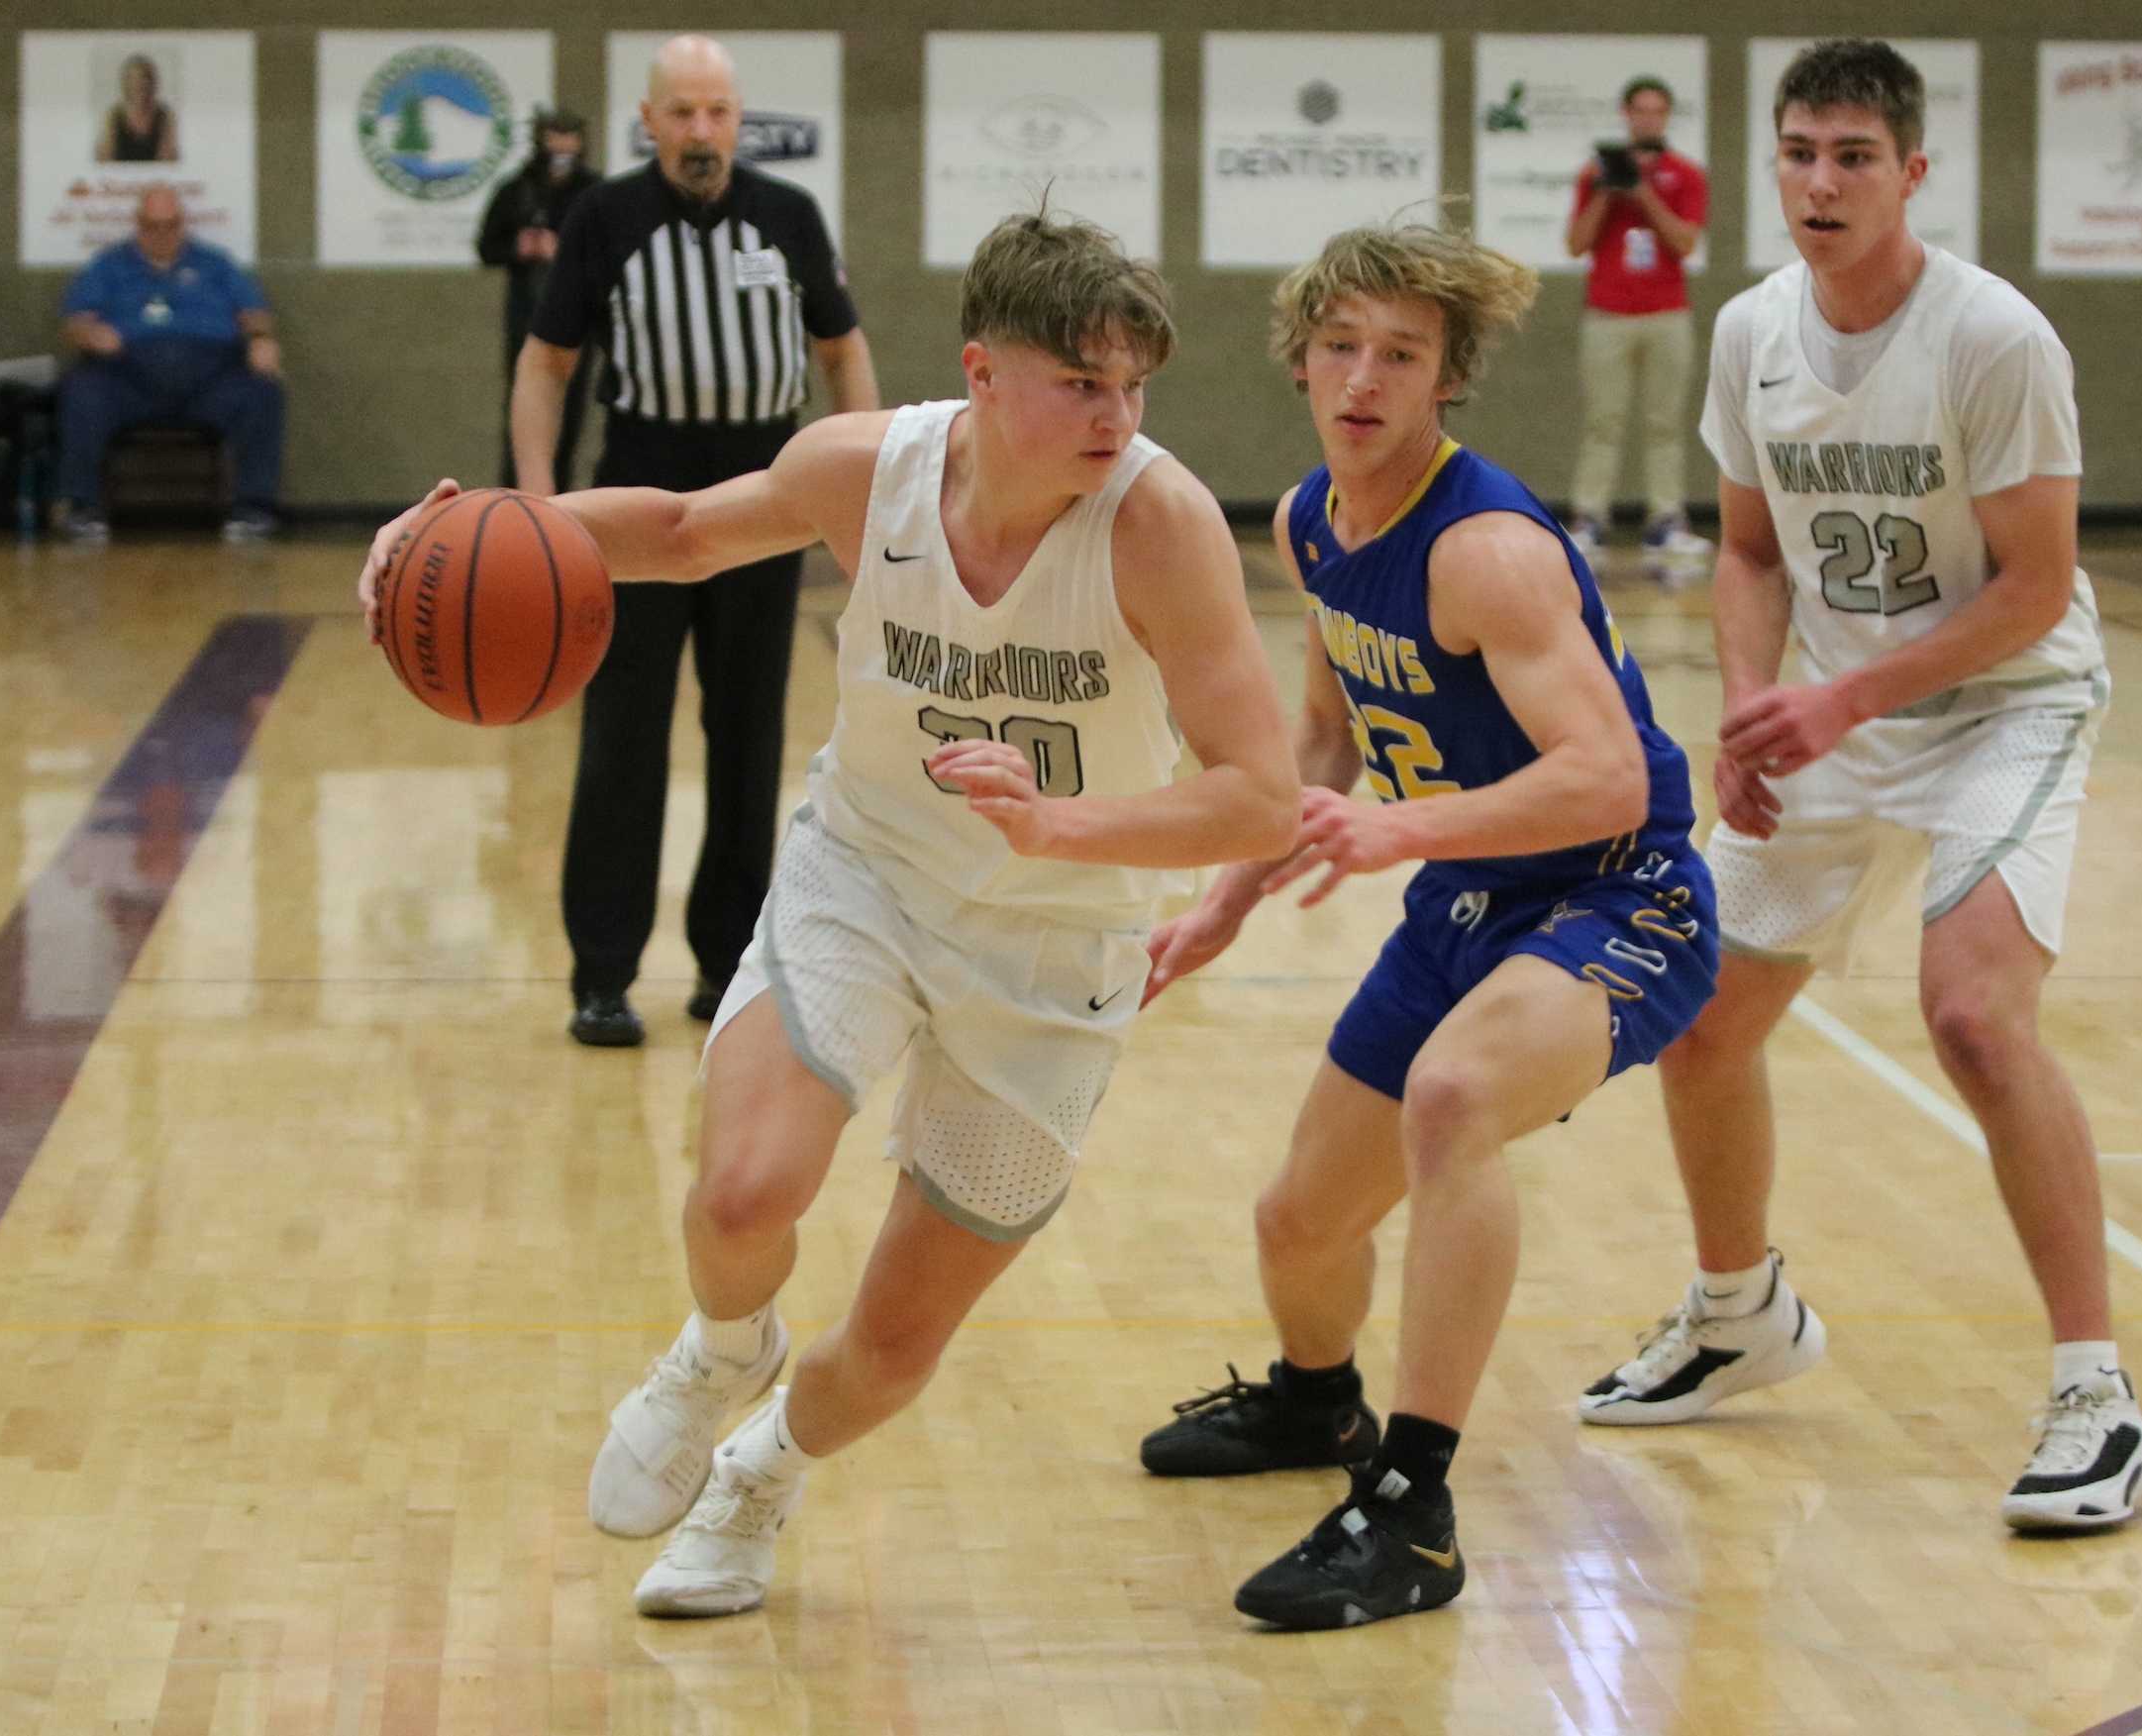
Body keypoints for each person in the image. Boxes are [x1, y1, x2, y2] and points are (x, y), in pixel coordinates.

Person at [357, 209, 1300, 1619]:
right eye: (1081, 382)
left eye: (1132, 386)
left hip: (1054, 947)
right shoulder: (870, 471)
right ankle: (719, 1348)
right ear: (982, 373)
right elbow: (676, 533)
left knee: (900, 1338)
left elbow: (1261, 798)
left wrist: (1060, 821)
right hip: (865, 871)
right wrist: (464, 536)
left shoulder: (1156, 527)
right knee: (742, 1192)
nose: (1117, 415)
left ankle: (761, 1478)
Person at [1574, 38, 2142, 1534]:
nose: (1820, 182)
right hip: (1836, 714)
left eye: (1852, 156)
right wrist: (1748, 710)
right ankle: (1737, 1315)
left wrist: (1843, 694)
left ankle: (2099, 1398)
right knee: (1696, 1016)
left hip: (2002, 706)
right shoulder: (1753, 330)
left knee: (1972, 1015)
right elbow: (1756, 549)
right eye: (1798, 152)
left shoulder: (1994, 339)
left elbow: (2034, 590)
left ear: (1912, 172)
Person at [1133, 220, 1719, 1630]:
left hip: (1617, 888)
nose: (1365, 377)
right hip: (1470, 891)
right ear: (1300, 360)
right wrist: (1227, 893)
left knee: (1452, 1101)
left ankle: (1416, 1509)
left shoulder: (1490, 548)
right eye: (1341, 346)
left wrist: (1401, 828)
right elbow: (1330, 734)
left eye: (1402, 354)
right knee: (1298, 1225)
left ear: (1446, 379)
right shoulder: (1308, 519)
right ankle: (1318, 1406)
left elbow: (1611, 771)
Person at [520, 35, 880, 1051]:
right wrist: (544, 512)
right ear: (648, 122)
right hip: (636, 505)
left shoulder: (788, 216)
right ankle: (601, 973)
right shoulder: (604, 218)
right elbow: (544, 367)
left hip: (767, 503)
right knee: (622, 743)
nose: (700, 132)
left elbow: (844, 354)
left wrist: (869, 493)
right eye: (680, 112)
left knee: (749, 737)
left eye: (716, 112)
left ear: (737, 118)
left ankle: (729, 967)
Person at [55, 185, 282, 544]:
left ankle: (254, 508)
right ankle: (83, 507)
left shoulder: (215, 263)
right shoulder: (109, 265)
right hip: (128, 377)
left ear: (183, 225)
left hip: (210, 377)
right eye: (152, 225)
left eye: (170, 225)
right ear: (138, 225)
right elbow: (75, 323)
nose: (161, 234)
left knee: (261, 391)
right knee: (82, 390)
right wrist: (92, 334)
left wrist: (260, 340)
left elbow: (254, 313)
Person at [1564, 75, 1711, 576]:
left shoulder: (1685, 175)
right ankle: (1589, 519)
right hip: (1606, 313)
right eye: (1639, 111)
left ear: (1666, 117)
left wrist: (1642, 192)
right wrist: (1608, 191)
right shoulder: (1594, 174)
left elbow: (1685, 242)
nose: (1647, 119)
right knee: (1603, 420)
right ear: (1626, 115)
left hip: (1667, 313)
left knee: (1663, 422)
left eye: (1657, 111)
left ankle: (1666, 519)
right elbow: (1576, 243)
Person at [476, 109, 601, 494]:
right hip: (527, 315)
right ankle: (513, 503)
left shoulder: (593, 192)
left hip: (578, 319)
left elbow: (607, 253)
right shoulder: (517, 189)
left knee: (570, 415)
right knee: (523, 410)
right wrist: (519, 246)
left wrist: (565, 250)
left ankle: (559, 503)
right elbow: (486, 247)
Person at [97, 53, 178, 163]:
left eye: (144, 78)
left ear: (152, 83)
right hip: (118, 178)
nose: (139, 84)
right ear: (125, 83)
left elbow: (168, 161)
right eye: (133, 79)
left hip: (156, 178)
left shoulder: (165, 115)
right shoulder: (113, 115)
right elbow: (105, 158)